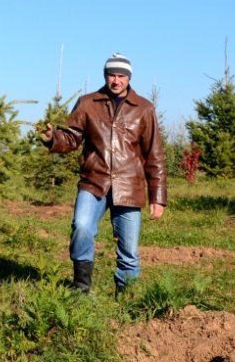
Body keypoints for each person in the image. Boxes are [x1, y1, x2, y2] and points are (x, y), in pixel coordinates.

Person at [41, 53, 167, 296]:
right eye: (112, 75)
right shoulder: (88, 103)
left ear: (129, 78)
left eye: (121, 76)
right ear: (105, 76)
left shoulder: (144, 108)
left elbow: (155, 154)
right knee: (82, 227)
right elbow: (71, 137)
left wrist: (158, 197)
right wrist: (52, 138)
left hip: (129, 186)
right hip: (94, 181)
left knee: (129, 248)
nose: (116, 80)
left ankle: (126, 299)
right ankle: (81, 290)